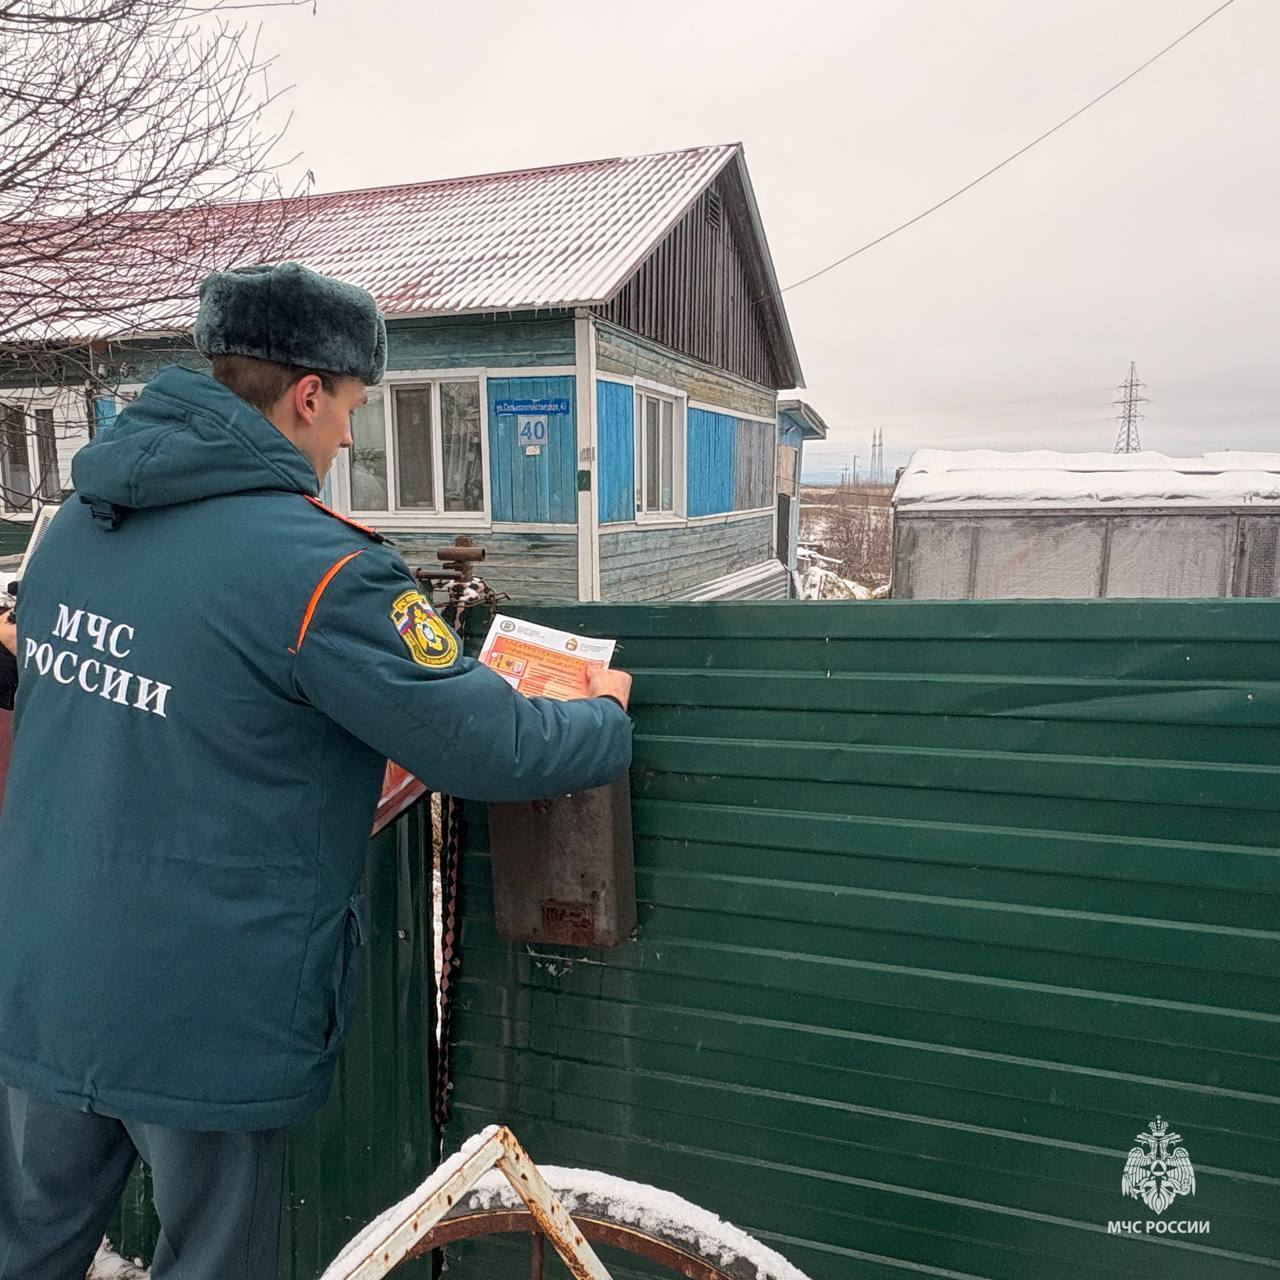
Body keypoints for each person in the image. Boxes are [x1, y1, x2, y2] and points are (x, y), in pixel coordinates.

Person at [0, 263, 633, 1280]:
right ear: (306, 394)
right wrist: (600, 719)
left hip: (43, 978)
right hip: (198, 1007)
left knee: (27, 1248)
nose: (348, 438)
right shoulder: (323, 569)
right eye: (351, 408)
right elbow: (489, 744)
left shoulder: (76, 527)